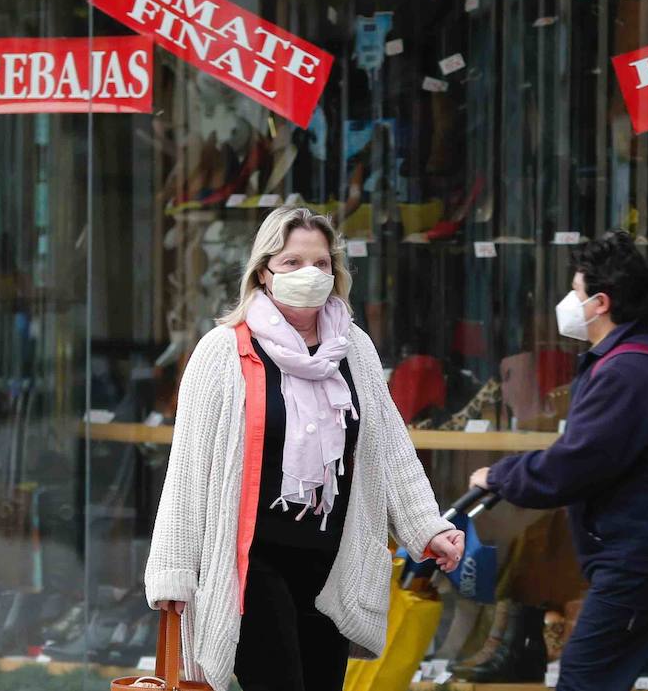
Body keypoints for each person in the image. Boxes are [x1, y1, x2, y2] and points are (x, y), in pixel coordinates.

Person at [146, 207, 464, 691]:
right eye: (292, 262)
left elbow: (389, 449)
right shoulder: (223, 351)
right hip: (253, 566)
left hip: (333, 565)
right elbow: (188, 471)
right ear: (263, 273)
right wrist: (173, 571)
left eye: (321, 264)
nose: (309, 275)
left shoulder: (352, 348)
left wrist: (427, 527)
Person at [469, 230, 648, 691]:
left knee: (585, 679)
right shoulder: (642, 358)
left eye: (574, 293)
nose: (568, 303)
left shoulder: (625, 371)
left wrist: (499, 475)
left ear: (600, 304)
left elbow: (578, 463)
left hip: (643, 555)